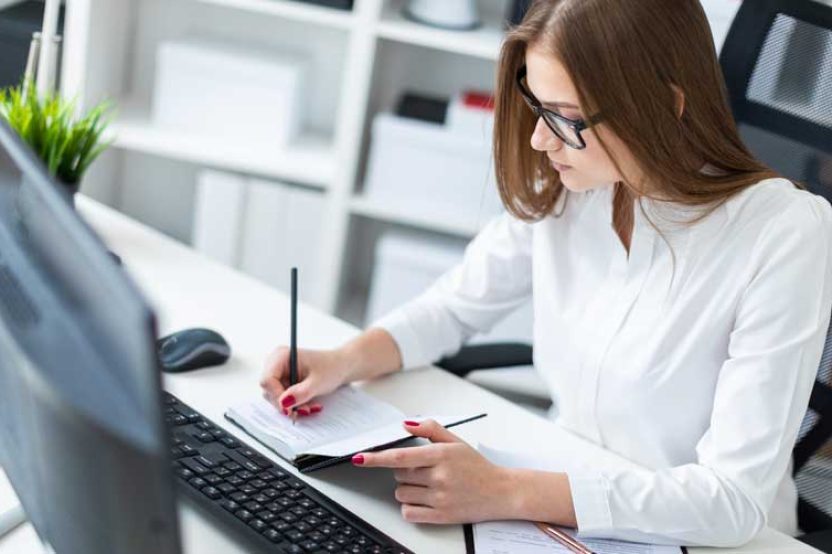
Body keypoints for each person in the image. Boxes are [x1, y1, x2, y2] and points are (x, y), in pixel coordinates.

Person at [261, 0, 832, 547]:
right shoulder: (576, 183)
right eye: (538, 107)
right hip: (564, 499)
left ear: (665, 104)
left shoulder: (783, 231)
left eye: (566, 118)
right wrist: (343, 360)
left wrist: (504, 490)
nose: (539, 139)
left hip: (706, 538)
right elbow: (454, 307)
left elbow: (732, 500)